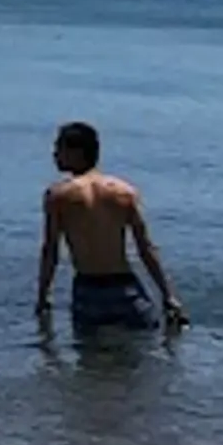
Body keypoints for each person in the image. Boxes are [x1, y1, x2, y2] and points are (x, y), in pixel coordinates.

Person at [37, 122, 187, 334]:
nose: (54, 155)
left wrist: (43, 295)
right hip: (125, 287)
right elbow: (146, 248)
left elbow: (51, 249)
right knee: (138, 357)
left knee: (91, 361)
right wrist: (168, 296)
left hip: (88, 289)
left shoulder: (58, 196)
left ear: (77, 152)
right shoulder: (124, 192)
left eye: (59, 148)